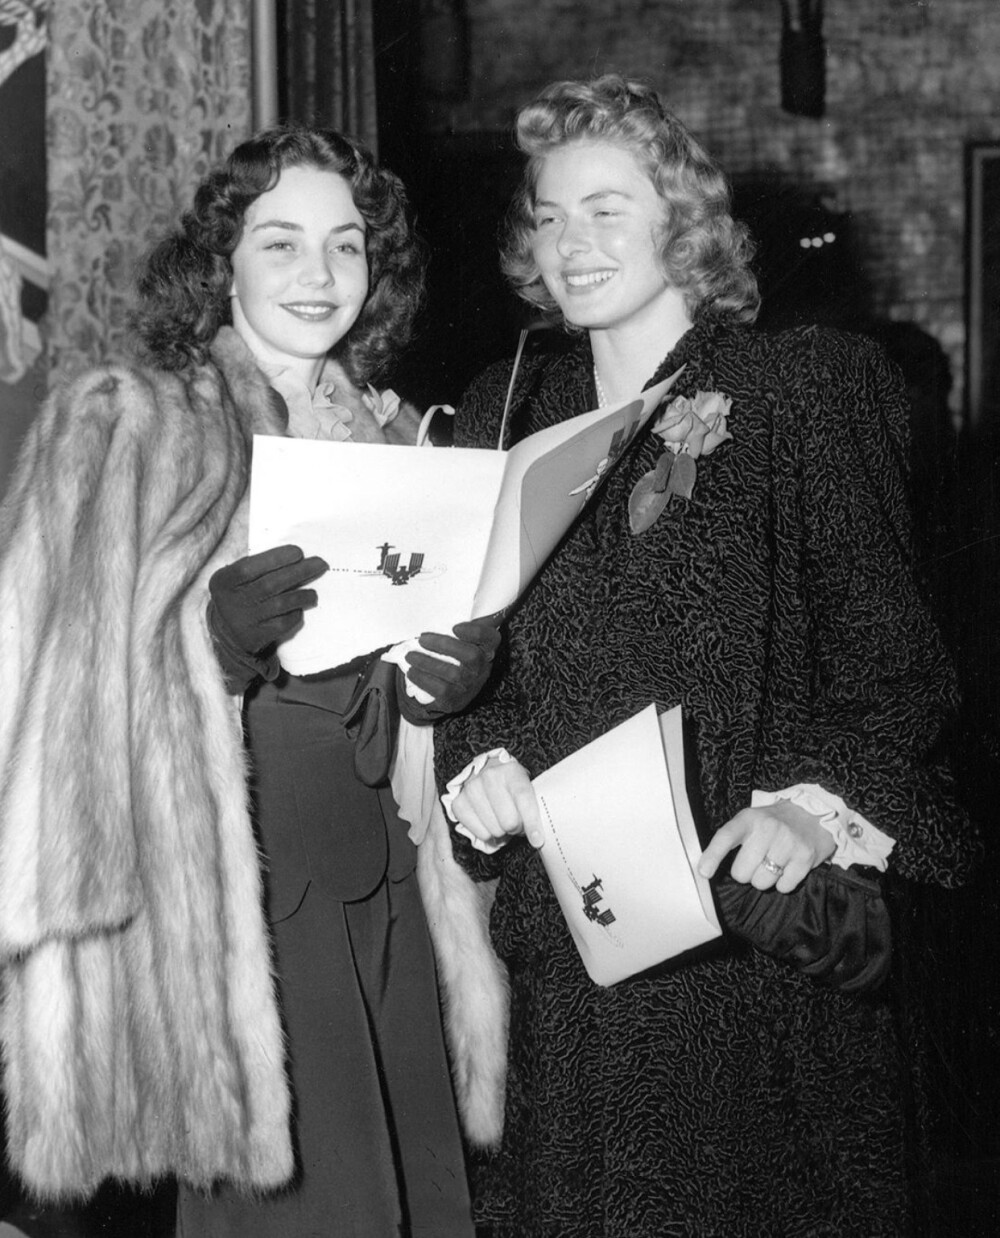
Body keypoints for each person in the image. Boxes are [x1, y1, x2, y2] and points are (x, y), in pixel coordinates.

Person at [433, 76, 980, 1237]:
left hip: (748, 953)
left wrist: (813, 808)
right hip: (572, 959)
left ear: (681, 220)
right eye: (549, 214)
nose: (571, 244)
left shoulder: (801, 392)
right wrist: (478, 769)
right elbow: (485, 670)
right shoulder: (499, 412)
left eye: (607, 210)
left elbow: (897, 673)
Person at [0, 125, 502, 1238]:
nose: (318, 277)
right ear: (220, 261)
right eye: (280, 245)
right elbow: (46, 712)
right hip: (245, 917)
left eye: (345, 246)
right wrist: (208, 649)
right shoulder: (132, 425)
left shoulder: (408, 436)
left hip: (395, 894)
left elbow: (424, 690)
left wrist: (453, 688)